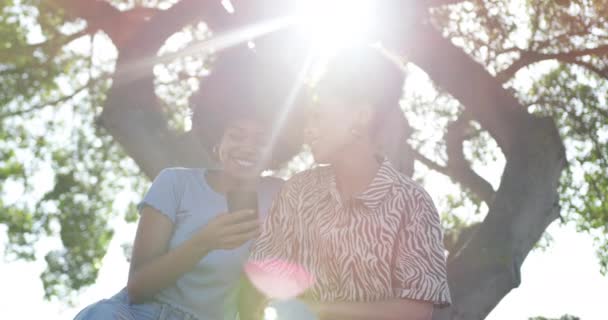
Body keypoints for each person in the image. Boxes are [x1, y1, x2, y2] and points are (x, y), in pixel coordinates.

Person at [73, 44, 305, 320]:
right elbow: (138, 288)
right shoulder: (175, 183)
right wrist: (204, 241)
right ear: (218, 140)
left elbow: (259, 294)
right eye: (236, 135)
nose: (247, 147)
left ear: (276, 151)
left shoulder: (282, 196)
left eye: (261, 140)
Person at [242, 45, 452, 320]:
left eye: (319, 116)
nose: (308, 130)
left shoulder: (413, 202)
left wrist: (319, 310)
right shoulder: (298, 191)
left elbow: (415, 310)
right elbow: (262, 280)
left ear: (361, 117)